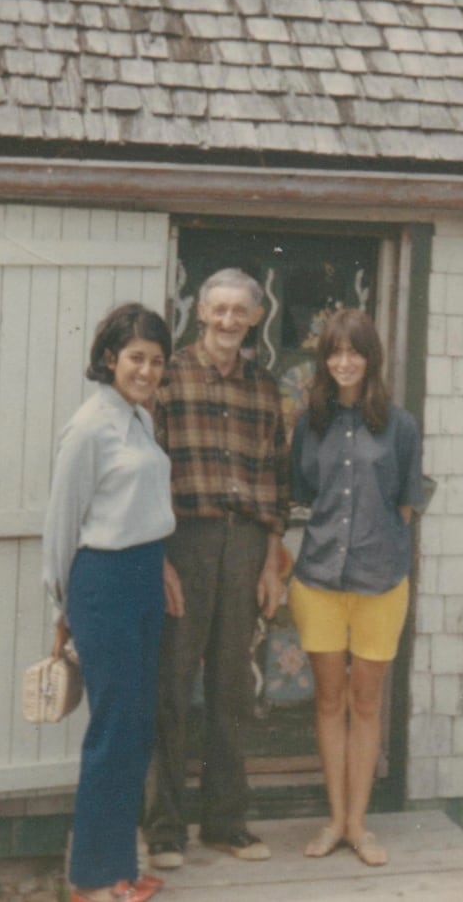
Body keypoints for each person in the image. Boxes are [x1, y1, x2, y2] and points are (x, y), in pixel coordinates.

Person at [143, 269, 289, 869]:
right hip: (184, 542)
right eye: (218, 310)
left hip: (247, 544)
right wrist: (160, 558)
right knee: (172, 686)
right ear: (199, 312)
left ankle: (226, 822)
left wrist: (273, 561)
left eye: (240, 312)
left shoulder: (264, 387)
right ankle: (165, 830)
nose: (228, 321)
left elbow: (278, 479)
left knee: (232, 688)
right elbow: (147, 473)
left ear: (256, 318)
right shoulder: (168, 377)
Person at [41, 303, 181, 902]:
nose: (146, 370)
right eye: (135, 358)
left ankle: (120, 866)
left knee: (134, 728)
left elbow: (139, 506)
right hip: (103, 585)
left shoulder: (140, 420)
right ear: (109, 359)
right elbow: (61, 526)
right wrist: (61, 613)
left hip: (144, 577)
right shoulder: (91, 425)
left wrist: (163, 565)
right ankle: (93, 881)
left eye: (155, 360)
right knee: (113, 729)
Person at [289, 308, 424, 869]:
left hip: (379, 582)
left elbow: (407, 504)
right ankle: (334, 821)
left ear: (371, 358)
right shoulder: (310, 422)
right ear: (324, 360)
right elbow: (302, 493)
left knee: (365, 704)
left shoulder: (400, 426)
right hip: (318, 580)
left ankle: (358, 826)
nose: (344, 362)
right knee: (328, 700)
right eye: (334, 353)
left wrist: (375, 547)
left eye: (354, 351)